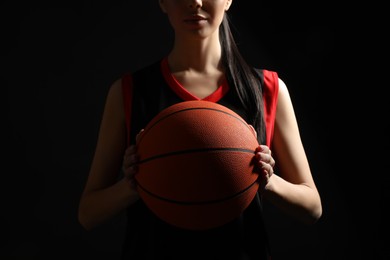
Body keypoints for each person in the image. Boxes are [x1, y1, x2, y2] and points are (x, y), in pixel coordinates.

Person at [78, 0, 322, 259]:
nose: (194, 2)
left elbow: (312, 207)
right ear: (163, 2)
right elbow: (88, 213)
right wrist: (132, 184)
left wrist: (267, 180)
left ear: (228, 0)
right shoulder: (129, 91)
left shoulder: (267, 89)